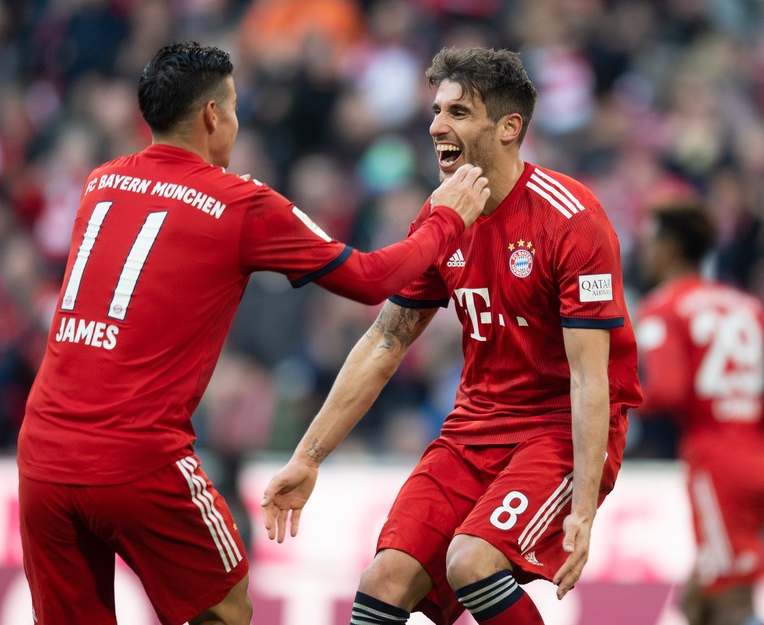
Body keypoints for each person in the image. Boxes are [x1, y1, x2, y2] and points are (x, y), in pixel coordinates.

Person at [16, 41, 490, 625]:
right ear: (212, 115)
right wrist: (448, 217)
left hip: (42, 453)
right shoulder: (239, 203)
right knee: (227, 610)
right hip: (137, 457)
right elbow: (370, 280)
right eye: (234, 107)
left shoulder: (100, 183)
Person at [261, 46, 642, 625]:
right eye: (437, 110)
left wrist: (583, 508)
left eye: (459, 112)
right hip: (473, 428)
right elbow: (385, 343)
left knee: (471, 563)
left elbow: (592, 377)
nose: (437, 125)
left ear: (509, 127)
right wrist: (308, 457)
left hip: (557, 434)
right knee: (384, 580)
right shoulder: (442, 217)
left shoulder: (571, 219)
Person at [635, 201, 764, 625]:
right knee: (698, 600)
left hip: (717, 462)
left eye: (652, 241)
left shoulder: (664, 306)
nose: (646, 250)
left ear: (670, 248)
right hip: (754, 452)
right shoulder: (745, 306)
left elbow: (666, 393)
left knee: (731, 601)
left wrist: (612, 394)